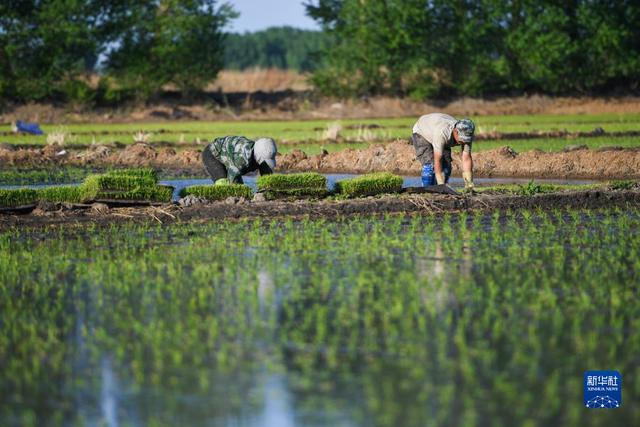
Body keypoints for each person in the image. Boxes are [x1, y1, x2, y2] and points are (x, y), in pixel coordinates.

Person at [411, 113, 475, 190]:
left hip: (437, 130)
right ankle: (427, 190)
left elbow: (466, 158)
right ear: (455, 131)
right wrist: (441, 185)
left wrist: (469, 184)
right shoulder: (442, 133)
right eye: (462, 138)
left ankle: (439, 189)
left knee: (446, 167)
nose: (464, 141)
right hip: (422, 132)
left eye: (466, 139)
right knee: (430, 165)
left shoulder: (467, 135)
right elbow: (438, 159)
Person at [202, 136, 277, 184]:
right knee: (224, 184)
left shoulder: (261, 153)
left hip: (231, 158)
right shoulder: (241, 158)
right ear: (257, 156)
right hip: (213, 154)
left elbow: (267, 178)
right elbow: (233, 179)